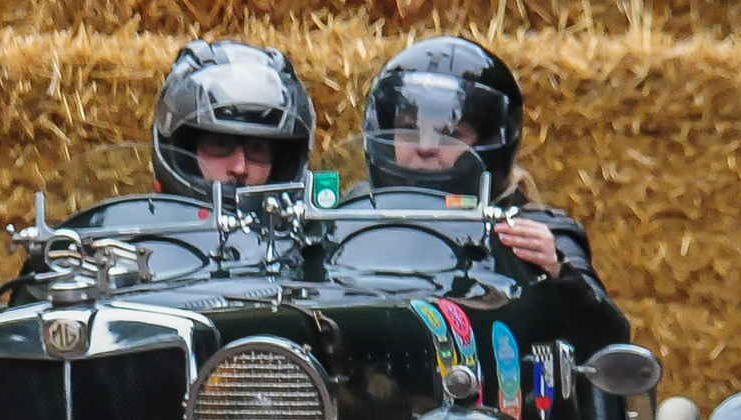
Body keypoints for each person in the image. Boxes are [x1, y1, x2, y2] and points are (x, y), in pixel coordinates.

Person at [361, 36, 630, 352]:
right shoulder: (351, 215)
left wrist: (561, 272)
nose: (424, 147)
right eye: (408, 128)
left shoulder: (533, 228)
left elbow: (612, 341)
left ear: (488, 143)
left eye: (450, 134)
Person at [151, 39, 315, 201]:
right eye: (220, 144)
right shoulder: (142, 225)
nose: (239, 168)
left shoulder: (310, 226)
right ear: (183, 146)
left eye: (257, 149)